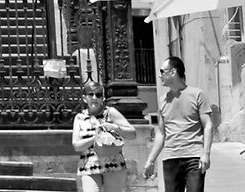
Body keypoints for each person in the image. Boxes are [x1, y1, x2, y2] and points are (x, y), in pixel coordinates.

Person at [143, 56, 217, 192]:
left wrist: (206, 154)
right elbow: (161, 133)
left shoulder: (197, 94)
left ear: (172, 72)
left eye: (162, 71)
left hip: (194, 157)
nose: (159, 76)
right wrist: (151, 160)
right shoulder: (163, 100)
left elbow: (208, 125)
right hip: (170, 158)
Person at [74, 86, 134, 192]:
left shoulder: (111, 112)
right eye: (90, 94)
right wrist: (95, 138)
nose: (94, 97)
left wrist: (116, 128)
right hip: (89, 166)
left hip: (113, 164)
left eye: (98, 95)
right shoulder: (79, 117)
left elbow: (132, 133)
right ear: (84, 98)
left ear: (102, 98)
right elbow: (76, 145)